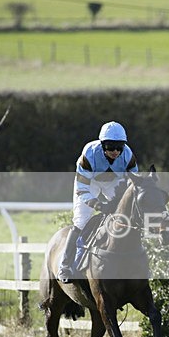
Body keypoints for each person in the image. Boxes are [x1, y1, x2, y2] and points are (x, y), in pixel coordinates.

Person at [57, 121, 139, 284]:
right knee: (81, 222)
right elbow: (82, 189)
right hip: (89, 184)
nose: (115, 151)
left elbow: (133, 184)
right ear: (102, 145)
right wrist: (98, 205)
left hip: (113, 182)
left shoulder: (128, 155)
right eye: (110, 147)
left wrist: (120, 201)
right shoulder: (89, 154)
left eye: (119, 147)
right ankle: (65, 266)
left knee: (126, 217)